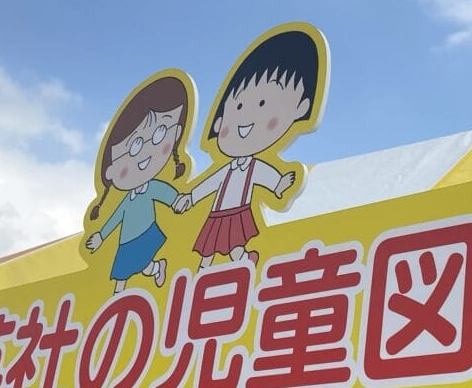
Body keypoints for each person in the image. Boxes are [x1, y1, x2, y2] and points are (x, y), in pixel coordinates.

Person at [174, 26, 325, 269]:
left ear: (300, 108)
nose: (245, 118)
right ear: (219, 122)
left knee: (233, 243)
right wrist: (191, 197)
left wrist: (278, 184)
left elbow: (263, 175)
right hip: (216, 213)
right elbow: (211, 183)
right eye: (238, 107)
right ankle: (208, 269)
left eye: (263, 103)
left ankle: (240, 262)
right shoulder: (226, 168)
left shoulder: (254, 166)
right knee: (211, 245)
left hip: (238, 211)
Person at [85, 73, 191, 292]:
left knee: (129, 271)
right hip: (126, 241)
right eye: (133, 147)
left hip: (145, 233)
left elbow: (165, 193)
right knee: (131, 269)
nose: (144, 153)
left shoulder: (151, 187)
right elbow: (116, 217)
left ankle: (120, 295)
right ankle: (154, 269)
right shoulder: (126, 199)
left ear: (176, 135)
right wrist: (101, 236)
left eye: (160, 133)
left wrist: (177, 201)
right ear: (111, 170)